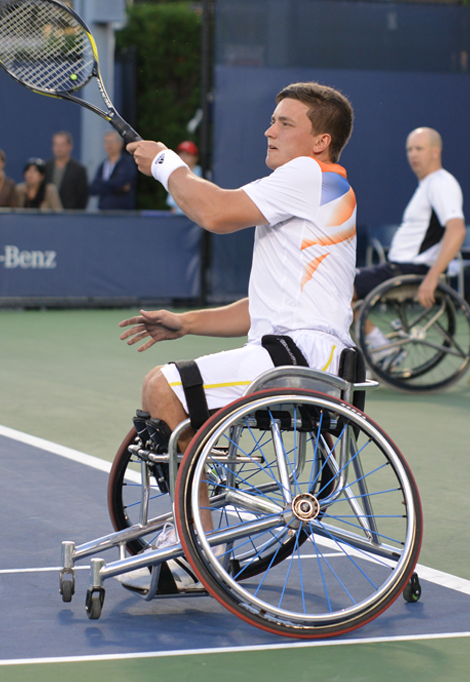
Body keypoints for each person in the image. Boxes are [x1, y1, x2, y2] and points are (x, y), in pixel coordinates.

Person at [118, 83, 357, 582]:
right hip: (307, 357)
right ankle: (195, 512)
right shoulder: (320, 190)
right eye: (272, 120)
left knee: (161, 387)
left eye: (285, 123)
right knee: (174, 389)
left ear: (320, 140)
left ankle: (191, 543)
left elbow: (215, 211)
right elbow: (263, 308)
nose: (270, 130)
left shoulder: (310, 174)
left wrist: (165, 164)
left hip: (296, 361)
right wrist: (185, 323)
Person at [352, 126, 466, 353]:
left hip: (408, 270)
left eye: (419, 149)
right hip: (398, 268)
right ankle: (380, 348)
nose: (413, 154)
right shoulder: (428, 185)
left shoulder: (441, 183)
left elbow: (457, 229)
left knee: (339, 286)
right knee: (339, 285)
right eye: (409, 149)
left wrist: (432, 278)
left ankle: (383, 350)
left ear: (436, 151)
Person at [90, 130, 137, 210]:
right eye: (106, 142)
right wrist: (115, 187)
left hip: (122, 211)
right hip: (103, 210)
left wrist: (103, 185)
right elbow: (93, 188)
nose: (109, 145)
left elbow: (120, 182)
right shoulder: (102, 165)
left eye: (111, 142)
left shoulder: (127, 163)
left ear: (120, 144)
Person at [46, 131, 89, 209]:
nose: (59, 148)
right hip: (49, 215)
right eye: (56, 145)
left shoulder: (79, 170)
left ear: (70, 146)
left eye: (62, 145)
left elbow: (83, 197)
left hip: (70, 215)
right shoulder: (46, 167)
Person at [165, 140, 203, 214]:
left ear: (196, 158)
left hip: (198, 218)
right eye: (181, 154)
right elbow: (173, 207)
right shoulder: (175, 174)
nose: (183, 157)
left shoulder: (203, 173)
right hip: (180, 218)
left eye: (188, 154)